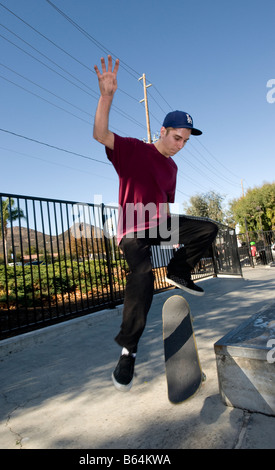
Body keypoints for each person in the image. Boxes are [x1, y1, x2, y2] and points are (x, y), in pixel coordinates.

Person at [93, 55, 218, 392]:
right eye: (177, 138)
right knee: (142, 274)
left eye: (185, 142)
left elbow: (164, 205)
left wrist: (178, 239)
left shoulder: (173, 170)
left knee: (207, 228)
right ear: (162, 131)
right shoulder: (133, 150)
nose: (180, 146)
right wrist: (107, 96)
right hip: (132, 230)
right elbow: (100, 133)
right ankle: (128, 351)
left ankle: (179, 271)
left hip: (158, 225)